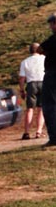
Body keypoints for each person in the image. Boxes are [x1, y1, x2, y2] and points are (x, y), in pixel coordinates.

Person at [18, 42, 45, 140]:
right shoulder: (44, 59)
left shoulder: (25, 62)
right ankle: (39, 131)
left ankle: (26, 132)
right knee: (41, 109)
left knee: (30, 109)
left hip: (31, 84)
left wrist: (21, 90)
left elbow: (21, 78)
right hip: (43, 83)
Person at [39, 13, 56, 148]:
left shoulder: (53, 39)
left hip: (52, 74)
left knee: (49, 105)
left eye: (51, 24)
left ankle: (54, 138)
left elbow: (39, 49)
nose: (50, 26)